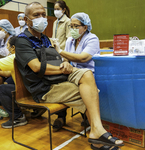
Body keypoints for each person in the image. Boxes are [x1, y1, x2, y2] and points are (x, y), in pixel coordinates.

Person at [15, 2, 124, 149]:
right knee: (90, 93)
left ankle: (96, 132)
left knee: (86, 74)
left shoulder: (45, 39)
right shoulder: (22, 40)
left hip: (59, 78)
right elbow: (36, 67)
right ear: (27, 19)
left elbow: (58, 58)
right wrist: (63, 69)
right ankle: (97, 135)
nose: (41, 18)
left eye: (43, 14)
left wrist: (65, 63)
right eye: (36, 15)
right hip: (45, 87)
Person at [53, 12, 100, 127]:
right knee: (58, 83)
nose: (73, 29)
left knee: (73, 87)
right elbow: (66, 58)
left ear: (85, 27)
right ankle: (61, 117)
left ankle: (88, 116)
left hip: (88, 75)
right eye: (71, 26)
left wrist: (60, 51)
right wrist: (65, 62)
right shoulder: (70, 40)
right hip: (73, 73)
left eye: (76, 26)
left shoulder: (92, 39)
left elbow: (83, 58)